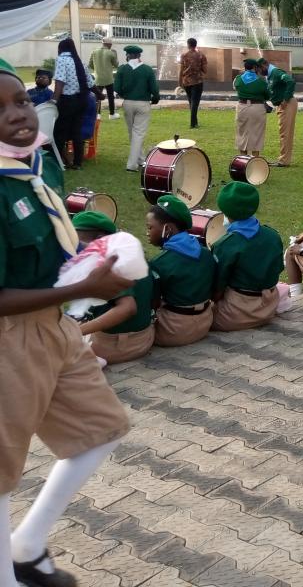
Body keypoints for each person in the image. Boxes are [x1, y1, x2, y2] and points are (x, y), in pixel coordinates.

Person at [0, 57, 132, 587]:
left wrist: (90, 261)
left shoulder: (38, 163)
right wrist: (81, 289)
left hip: (54, 324)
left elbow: (57, 239)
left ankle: (27, 545)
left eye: (20, 100)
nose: (17, 114)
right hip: (8, 339)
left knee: (101, 430)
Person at [70, 211, 156, 364]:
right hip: (144, 339)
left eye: (79, 243)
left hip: (114, 346)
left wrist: (77, 331)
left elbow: (127, 308)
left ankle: (92, 362)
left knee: (47, 346)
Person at [211, 182, 284, 331]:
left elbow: (217, 290)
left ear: (225, 211)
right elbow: (277, 269)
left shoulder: (226, 244)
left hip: (237, 313)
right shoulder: (273, 236)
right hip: (268, 308)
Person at [147, 194, 217, 346]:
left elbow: (153, 304)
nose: (147, 233)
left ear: (168, 229)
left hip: (173, 331)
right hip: (205, 323)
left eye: (150, 227)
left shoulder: (159, 262)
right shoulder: (206, 253)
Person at [114, 44, 160, 173]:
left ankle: (140, 159)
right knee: (138, 134)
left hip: (128, 103)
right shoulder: (147, 69)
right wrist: (156, 98)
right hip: (143, 103)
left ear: (127, 55)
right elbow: (154, 89)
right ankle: (131, 164)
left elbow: (116, 88)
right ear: (139, 55)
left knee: (132, 133)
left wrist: (125, 95)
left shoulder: (122, 69)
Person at [52, 38, 94, 170]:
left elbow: (60, 81)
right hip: (81, 100)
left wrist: (54, 100)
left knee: (60, 132)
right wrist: (100, 94)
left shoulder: (61, 59)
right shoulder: (80, 61)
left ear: (60, 48)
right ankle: (77, 163)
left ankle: (58, 162)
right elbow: (90, 83)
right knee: (76, 132)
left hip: (67, 100)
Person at [258, 57, 297, 167]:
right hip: (282, 105)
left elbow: (290, 81)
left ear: (264, 65)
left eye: (260, 69)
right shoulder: (270, 75)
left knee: (285, 134)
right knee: (284, 133)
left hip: (287, 104)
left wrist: (285, 99)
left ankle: (284, 161)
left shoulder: (276, 73)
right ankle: (284, 159)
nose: (259, 72)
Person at [234, 57, 269, 156]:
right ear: (255, 67)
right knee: (257, 134)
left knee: (242, 133)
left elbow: (235, 87)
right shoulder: (261, 81)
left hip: (242, 107)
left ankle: (242, 159)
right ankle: (254, 160)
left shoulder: (238, 79)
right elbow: (267, 95)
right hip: (257, 108)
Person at [179, 38, 207, 129]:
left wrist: (180, 82)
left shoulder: (184, 55)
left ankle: (195, 122)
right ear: (196, 45)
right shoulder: (201, 55)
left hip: (186, 82)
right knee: (195, 102)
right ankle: (193, 123)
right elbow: (205, 70)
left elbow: (181, 70)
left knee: (191, 101)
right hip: (197, 81)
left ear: (188, 45)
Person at [89, 37, 119, 119]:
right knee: (110, 96)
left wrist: (97, 69)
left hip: (98, 78)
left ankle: (97, 114)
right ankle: (112, 114)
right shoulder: (111, 53)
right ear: (109, 44)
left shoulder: (94, 52)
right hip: (108, 78)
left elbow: (90, 64)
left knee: (97, 97)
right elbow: (116, 65)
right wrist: (115, 55)